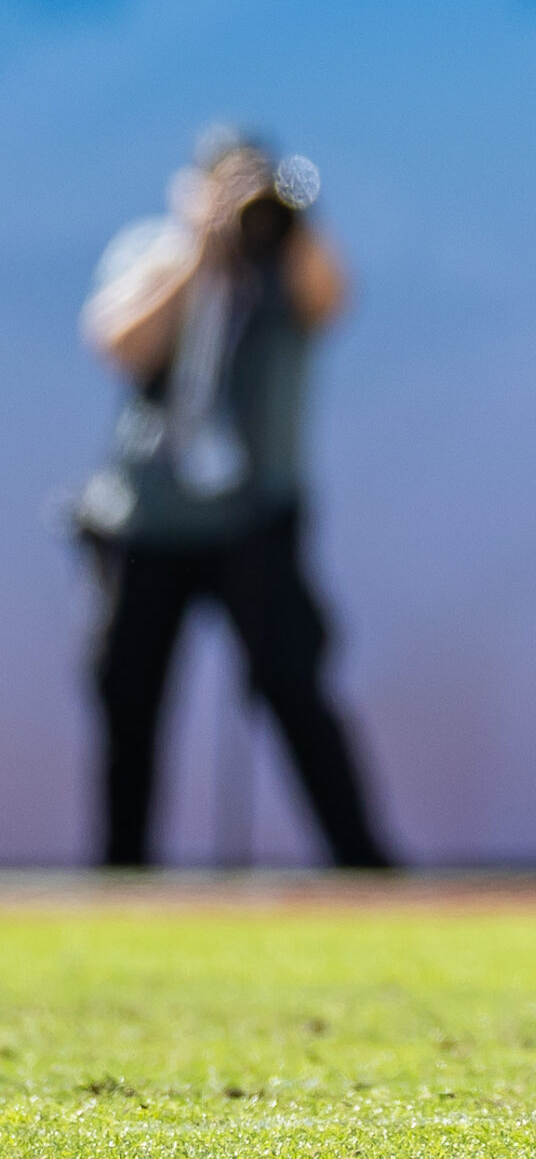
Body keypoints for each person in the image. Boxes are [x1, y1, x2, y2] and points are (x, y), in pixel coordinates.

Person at [72, 127, 392, 869]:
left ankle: (364, 865)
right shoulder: (155, 251)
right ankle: (123, 874)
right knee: (130, 702)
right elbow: (119, 343)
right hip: (148, 520)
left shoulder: (287, 261)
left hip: (254, 519)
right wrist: (197, 245)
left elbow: (332, 297)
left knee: (294, 688)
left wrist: (290, 214)